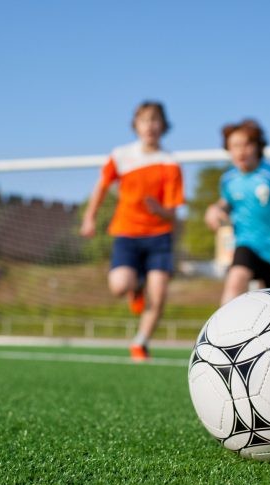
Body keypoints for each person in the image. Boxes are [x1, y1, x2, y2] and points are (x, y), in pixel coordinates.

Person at [80, 101, 184, 361]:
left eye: (155, 120)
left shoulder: (170, 163)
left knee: (158, 295)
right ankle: (136, 286)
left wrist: (158, 209)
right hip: (127, 233)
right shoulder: (121, 155)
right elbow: (101, 186)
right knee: (119, 285)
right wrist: (89, 217)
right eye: (145, 120)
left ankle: (140, 342)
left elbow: (173, 211)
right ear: (136, 125)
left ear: (163, 125)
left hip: (159, 236)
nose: (150, 125)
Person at [205, 119, 270, 304]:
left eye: (246, 144)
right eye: (234, 146)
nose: (241, 151)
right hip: (247, 243)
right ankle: (223, 330)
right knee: (235, 280)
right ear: (228, 149)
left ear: (258, 146)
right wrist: (215, 210)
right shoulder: (228, 179)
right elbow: (225, 202)